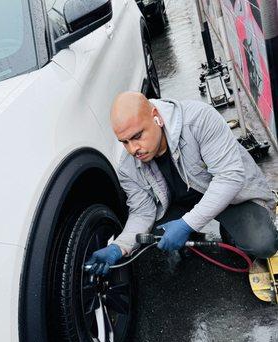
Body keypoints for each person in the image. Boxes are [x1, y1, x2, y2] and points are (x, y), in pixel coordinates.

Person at [86, 91, 277, 275]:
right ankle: (190, 233)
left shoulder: (198, 119)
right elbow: (142, 212)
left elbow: (229, 177)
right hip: (180, 205)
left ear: (156, 117)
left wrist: (187, 224)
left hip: (230, 199)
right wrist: (119, 247)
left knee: (263, 244)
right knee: (148, 237)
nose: (133, 149)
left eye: (137, 136)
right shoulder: (128, 166)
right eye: (124, 142)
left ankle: (225, 227)